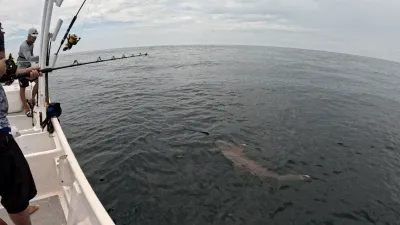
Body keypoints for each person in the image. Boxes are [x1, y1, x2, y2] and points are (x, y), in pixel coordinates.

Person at [0, 23, 41, 225]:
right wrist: (12, 67)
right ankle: (21, 212)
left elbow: (4, 74)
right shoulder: (24, 45)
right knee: (17, 186)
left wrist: (18, 72)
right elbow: (2, 68)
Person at [17, 28, 39, 117]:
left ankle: (32, 99)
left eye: (36, 37)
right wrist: (40, 57)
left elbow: (32, 56)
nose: (34, 39)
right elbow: (29, 58)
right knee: (23, 88)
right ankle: (26, 108)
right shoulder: (24, 46)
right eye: (33, 37)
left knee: (38, 82)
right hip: (21, 67)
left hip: (28, 66)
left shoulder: (32, 45)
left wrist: (36, 63)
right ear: (29, 36)